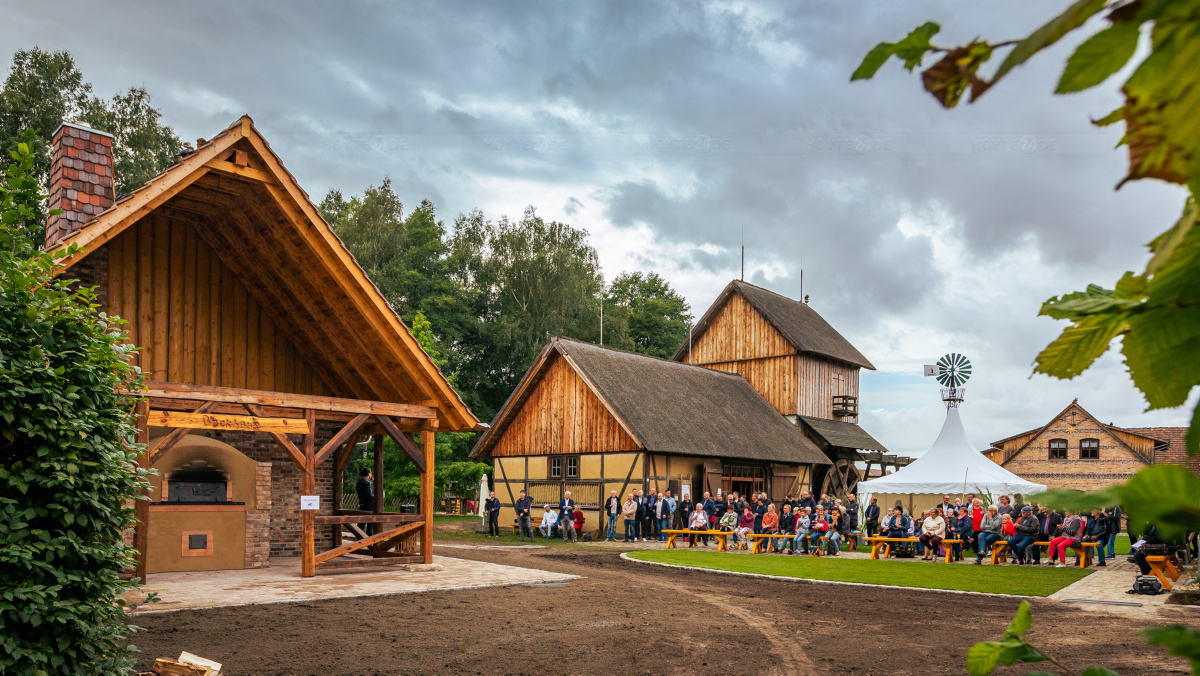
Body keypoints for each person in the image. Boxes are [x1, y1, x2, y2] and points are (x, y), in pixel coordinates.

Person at [356, 468, 375, 536]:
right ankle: (368, 543)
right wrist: (378, 496)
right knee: (370, 526)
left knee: (361, 525)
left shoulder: (359, 482)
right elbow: (370, 495)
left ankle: (359, 540)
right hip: (370, 506)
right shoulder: (368, 482)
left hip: (362, 504)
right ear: (368, 474)